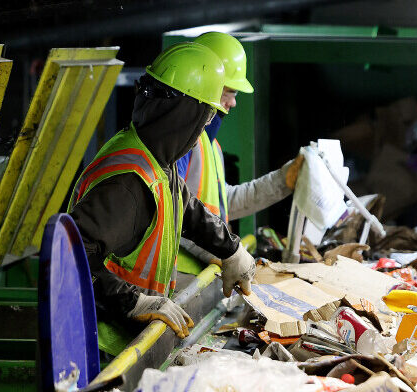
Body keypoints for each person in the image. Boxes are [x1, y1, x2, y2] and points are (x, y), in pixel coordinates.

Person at [68, 42, 256, 350]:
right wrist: (134, 302)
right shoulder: (129, 184)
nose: (205, 129)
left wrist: (230, 249)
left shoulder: (152, 159)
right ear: (187, 117)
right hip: (101, 348)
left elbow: (185, 206)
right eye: (206, 117)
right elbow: (72, 257)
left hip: (130, 341)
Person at [174, 31, 303, 274]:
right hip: (179, 281)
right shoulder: (180, 144)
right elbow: (171, 214)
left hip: (201, 278)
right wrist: (225, 252)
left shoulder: (210, 146)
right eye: (228, 92)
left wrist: (282, 182)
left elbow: (222, 205)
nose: (232, 103)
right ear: (205, 83)